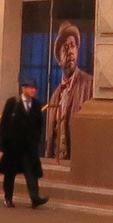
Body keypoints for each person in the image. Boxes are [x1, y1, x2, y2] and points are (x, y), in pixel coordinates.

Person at [41, 22, 95, 160]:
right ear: (59, 59)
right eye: (65, 48)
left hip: (79, 161)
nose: (70, 51)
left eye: (73, 46)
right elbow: (50, 135)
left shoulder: (89, 84)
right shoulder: (54, 96)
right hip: (57, 162)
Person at [0, 78, 48, 208]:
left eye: (34, 88)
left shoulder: (36, 104)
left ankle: (35, 198)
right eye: (31, 88)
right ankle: (8, 198)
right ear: (23, 88)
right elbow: (4, 123)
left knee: (31, 172)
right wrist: (5, 140)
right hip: (13, 146)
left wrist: (36, 139)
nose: (33, 90)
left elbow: (39, 124)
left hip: (29, 146)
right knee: (10, 173)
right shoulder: (13, 102)